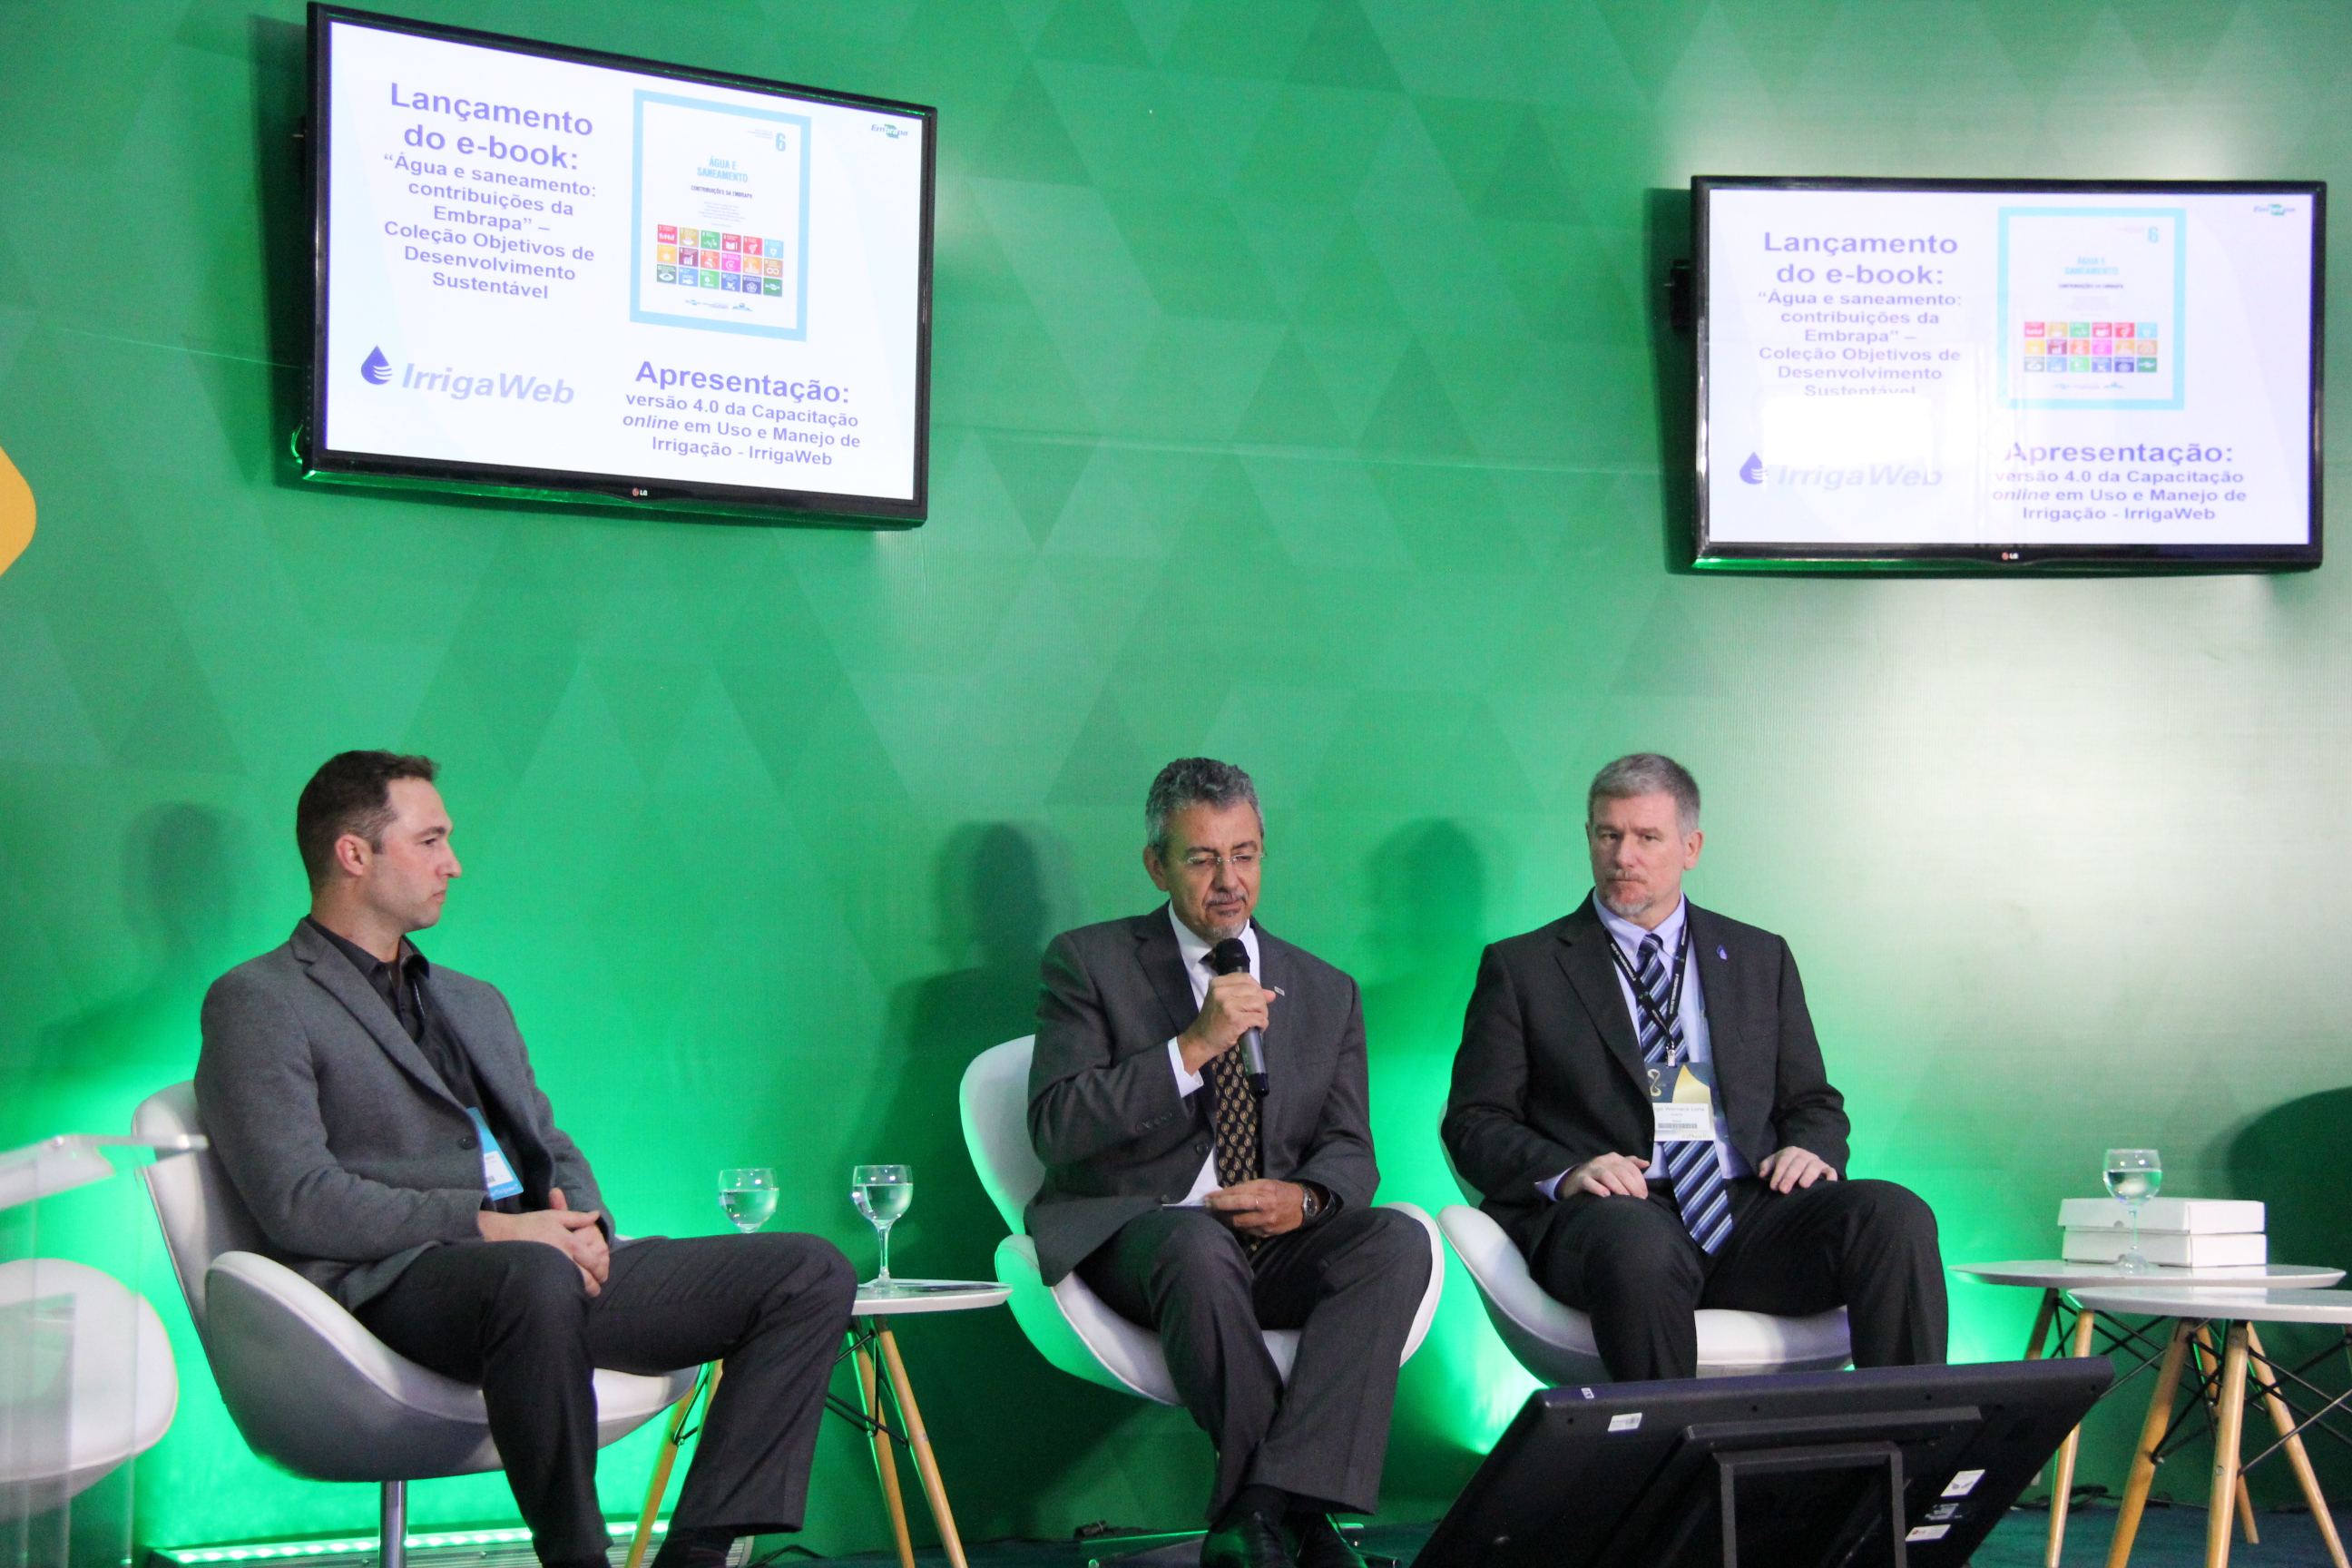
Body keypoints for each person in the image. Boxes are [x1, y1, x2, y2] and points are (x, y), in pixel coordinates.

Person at [196, 751, 855, 1568]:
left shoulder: (473, 1000)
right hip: (398, 1285)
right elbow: (298, 1199)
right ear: (354, 854)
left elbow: (548, 1143)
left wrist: (585, 1229)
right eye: (431, 840)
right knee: (532, 1274)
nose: (453, 863)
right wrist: (496, 1232)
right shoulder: (260, 999)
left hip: (540, 1270)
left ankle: (701, 1553)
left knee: (808, 1271)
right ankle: (578, 1558)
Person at [1025, 759, 1431, 1568]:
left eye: (1244, 855)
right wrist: (1192, 1047)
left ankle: (1263, 1512)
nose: (1228, 882)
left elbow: (1350, 1149)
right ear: (1157, 865)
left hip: (1271, 1240)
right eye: (1203, 859)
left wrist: (1305, 1201)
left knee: (1396, 1241)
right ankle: (1296, 1524)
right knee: (1195, 1243)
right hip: (1144, 1236)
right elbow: (1056, 1126)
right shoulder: (1089, 962)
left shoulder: (1325, 989)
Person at [1442, 752, 1945, 1383]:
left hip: (1749, 1208)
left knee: (1895, 1216)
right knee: (1639, 1248)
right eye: (1608, 835)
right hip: (1616, 1214)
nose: (1624, 856)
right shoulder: (1525, 968)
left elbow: (1813, 1102)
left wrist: (1811, 1149)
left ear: (1691, 847)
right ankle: (1669, 1451)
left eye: (1647, 837)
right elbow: (1475, 1121)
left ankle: (1914, 1438)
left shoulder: (1760, 956)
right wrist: (1570, 1172)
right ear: (1590, 838)